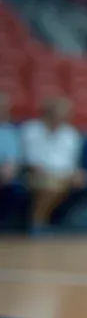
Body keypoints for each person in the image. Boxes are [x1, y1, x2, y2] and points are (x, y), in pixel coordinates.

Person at [21, 96, 83, 232]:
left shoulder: (71, 134)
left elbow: (72, 162)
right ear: (48, 112)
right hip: (37, 174)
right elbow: (31, 161)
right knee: (51, 185)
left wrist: (73, 174)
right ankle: (38, 221)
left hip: (64, 175)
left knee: (68, 183)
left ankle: (42, 222)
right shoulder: (31, 129)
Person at [0, 93, 28, 230]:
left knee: (18, 191)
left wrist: (10, 168)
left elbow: (14, 159)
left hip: (6, 177)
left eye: (4, 108)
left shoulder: (10, 132)